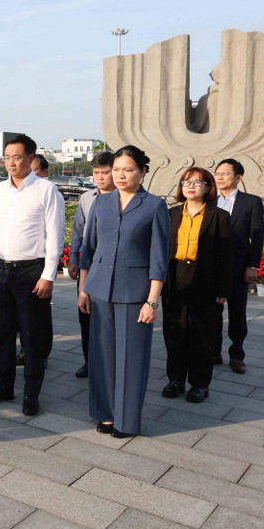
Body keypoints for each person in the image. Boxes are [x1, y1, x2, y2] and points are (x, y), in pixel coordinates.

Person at [77, 145, 169, 438]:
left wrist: (152, 302)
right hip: (100, 288)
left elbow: (159, 258)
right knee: (101, 356)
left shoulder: (154, 205)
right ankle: (105, 414)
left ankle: (126, 421)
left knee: (131, 358)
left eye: (128, 169)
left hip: (135, 292)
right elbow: (88, 249)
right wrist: (83, 289)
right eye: (116, 169)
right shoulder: (101, 203)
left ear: (142, 172)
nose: (120, 175)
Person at [0, 134, 64, 416]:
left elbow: (55, 235)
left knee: (32, 336)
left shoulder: (46, 190)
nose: (11, 163)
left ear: (31, 159)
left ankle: (31, 392)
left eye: (17, 157)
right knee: (4, 333)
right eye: (7, 158)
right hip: (2, 269)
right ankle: (4, 386)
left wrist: (48, 275)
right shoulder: (0, 191)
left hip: (32, 271)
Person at [162, 168, 232, 403]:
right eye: (185, 181)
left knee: (202, 334)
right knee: (175, 331)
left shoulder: (218, 216)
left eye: (197, 182)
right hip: (175, 275)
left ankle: (200, 384)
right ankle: (176, 379)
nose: (190, 185)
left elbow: (226, 255)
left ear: (208, 187)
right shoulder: (170, 214)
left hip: (205, 279)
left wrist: (224, 290)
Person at [213, 159, 264, 374]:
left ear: (238, 177)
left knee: (237, 313)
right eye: (217, 173)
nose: (219, 177)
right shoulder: (208, 200)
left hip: (238, 265)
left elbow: (257, 235)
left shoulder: (251, 202)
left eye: (225, 173)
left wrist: (253, 265)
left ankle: (237, 355)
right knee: (212, 313)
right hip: (212, 267)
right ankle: (214, 352)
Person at [67, 151, 115, 378]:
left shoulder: (123, 199)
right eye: (96, 173)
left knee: (108, 319)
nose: (100, 177)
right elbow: (78, 230)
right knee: (85, 315)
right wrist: (73, 259)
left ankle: (109, 363)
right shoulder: (87, 198)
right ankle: (89, 361)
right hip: (88, 264)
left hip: (112, 266)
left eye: (105, 172)